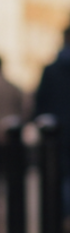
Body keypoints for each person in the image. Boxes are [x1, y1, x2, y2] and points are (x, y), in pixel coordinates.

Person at [33, 29, 70, 211]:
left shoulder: (51, 70)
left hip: (57, 132)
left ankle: (63, 214)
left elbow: (40, 103)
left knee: (60, 175)